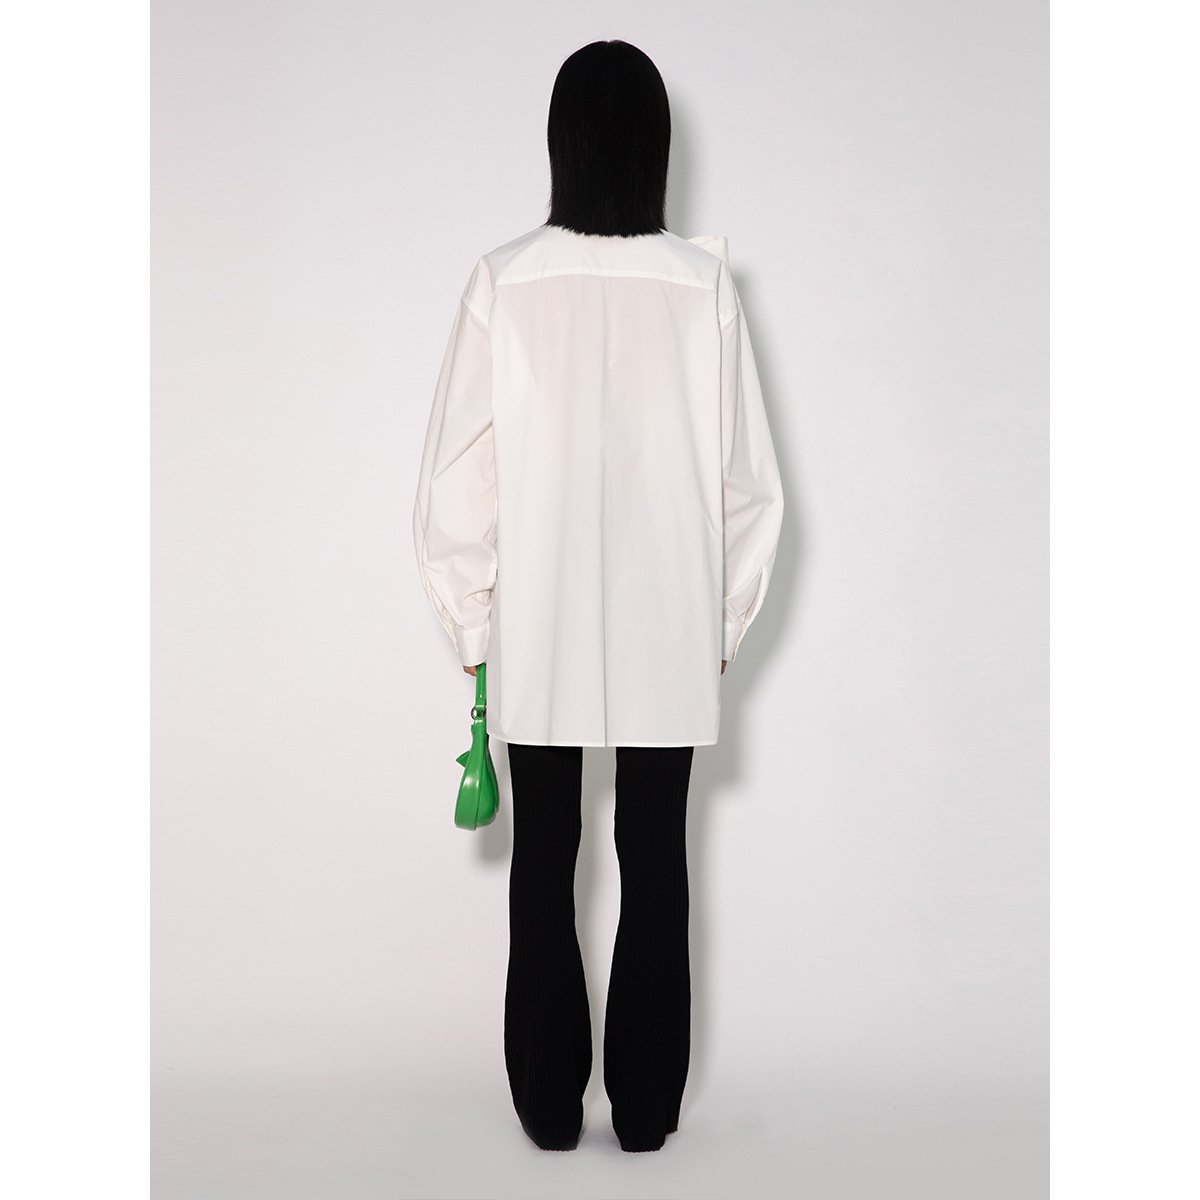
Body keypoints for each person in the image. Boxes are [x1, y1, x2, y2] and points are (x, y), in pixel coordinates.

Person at [413, 39, 784, 1153]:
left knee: (544, 857)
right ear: (655, 146)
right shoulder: (701, 287)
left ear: (561, 144)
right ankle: (649, 1108)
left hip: (539, 620)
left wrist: (472, 621)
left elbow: (457, 473)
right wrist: (721, 624)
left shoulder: (506, 281)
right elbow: (748, 486)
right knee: (657, 858)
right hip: (672, 619)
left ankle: (545, 1101)